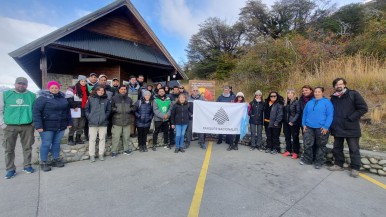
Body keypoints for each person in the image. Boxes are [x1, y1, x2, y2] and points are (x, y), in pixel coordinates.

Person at [328, 78, 368, 178]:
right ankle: (338, 164)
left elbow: (363, 108)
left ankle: (355, 168)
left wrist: (351, 118)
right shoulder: (333, 97)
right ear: (334, 87)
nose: (339, 86)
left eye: (341, 84)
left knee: (354, 149)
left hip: (351, 127)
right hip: (337, 127)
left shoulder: (353, 94)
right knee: (337, 148)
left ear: (344, 85)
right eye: (337, 85)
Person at [0, 77, 36, 179]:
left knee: (27, 147)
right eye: (19, 83)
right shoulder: (5, 94)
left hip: (27, 126)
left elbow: (35, 110)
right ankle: (10, 169)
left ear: (27, 85)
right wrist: (2, 124)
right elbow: (0, 110)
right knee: (9, 149)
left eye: (24, 84)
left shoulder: (32, 96)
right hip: (10, 126)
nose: (21, 85)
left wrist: (33, 123)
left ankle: (27, 166)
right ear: (15, 84)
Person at [33, 81, 72, 172]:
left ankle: (55, 159)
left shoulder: (63, 98)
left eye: (56, 88)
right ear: (48, 88)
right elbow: (36, 112)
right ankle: (44, 161)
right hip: (46, 126)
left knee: (56, 143)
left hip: (61, 125)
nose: (54, 89)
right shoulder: (42, 98)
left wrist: (69, 122)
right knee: (46, 143)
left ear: (59, 88)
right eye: (52, 88)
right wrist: (38, 125)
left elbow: (67, 112)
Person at [300, 87, 334, 169]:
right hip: (309, 127)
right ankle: (307, 159)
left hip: (321, 128)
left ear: (322, 93)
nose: (317, 93)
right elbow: (304, 114)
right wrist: (304, 124)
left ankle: (319, 162)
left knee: (321, 145)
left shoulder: (327, 102)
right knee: (307, 144)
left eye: (319, 92)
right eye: (315, 92)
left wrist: (326, 126)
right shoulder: (310, 102)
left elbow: (330, 115)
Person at [85, 86, 111, 162]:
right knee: (92, 140)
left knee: (102, 139)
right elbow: (86, 109)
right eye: (99, 90)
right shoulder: (90, 99)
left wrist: (105, 117)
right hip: (92, 123)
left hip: (103, 123)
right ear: (96, 91)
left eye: (102, 90)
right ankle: (92, 155)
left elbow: (108, 110)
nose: (101, 91)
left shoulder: (106, 100)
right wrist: (89, 117)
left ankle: (101, 154)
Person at [110, 86, 136, 157]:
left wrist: (129, 109)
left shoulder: (129, 99)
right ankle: (114, 151)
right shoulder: (114, 98)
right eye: (122, 89)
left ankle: (126, 149)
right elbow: (111, 107)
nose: (123, 90)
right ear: (119, 90)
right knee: (116, 137)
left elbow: (133, 106)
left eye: (124, 89)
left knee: (126, 137)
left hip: (127, 121)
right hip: (117, 121)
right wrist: (116, 110)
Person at [67, 75, 89, 146]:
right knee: (74, 124)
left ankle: (78, 138)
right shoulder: (72, 88)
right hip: (75, 109)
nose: (84, 82)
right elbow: (68, 98)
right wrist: (74, 106)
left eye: (85, 81)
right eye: (82, 81)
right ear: (79, 81)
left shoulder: (86, 89)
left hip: (83, 109)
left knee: (81, 125)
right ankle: (70, 139)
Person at [282, 89, 301, 159]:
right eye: (288, 93)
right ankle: (288, 150)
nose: (289, 94)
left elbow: (298, 113)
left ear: (294, 94)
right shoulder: (286, 102)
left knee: (295, 138)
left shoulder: (296, 102)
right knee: (287, 137)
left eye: (291, 93)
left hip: (294, 123)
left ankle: (295, 152)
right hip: (286, 123)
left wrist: (292, 121)